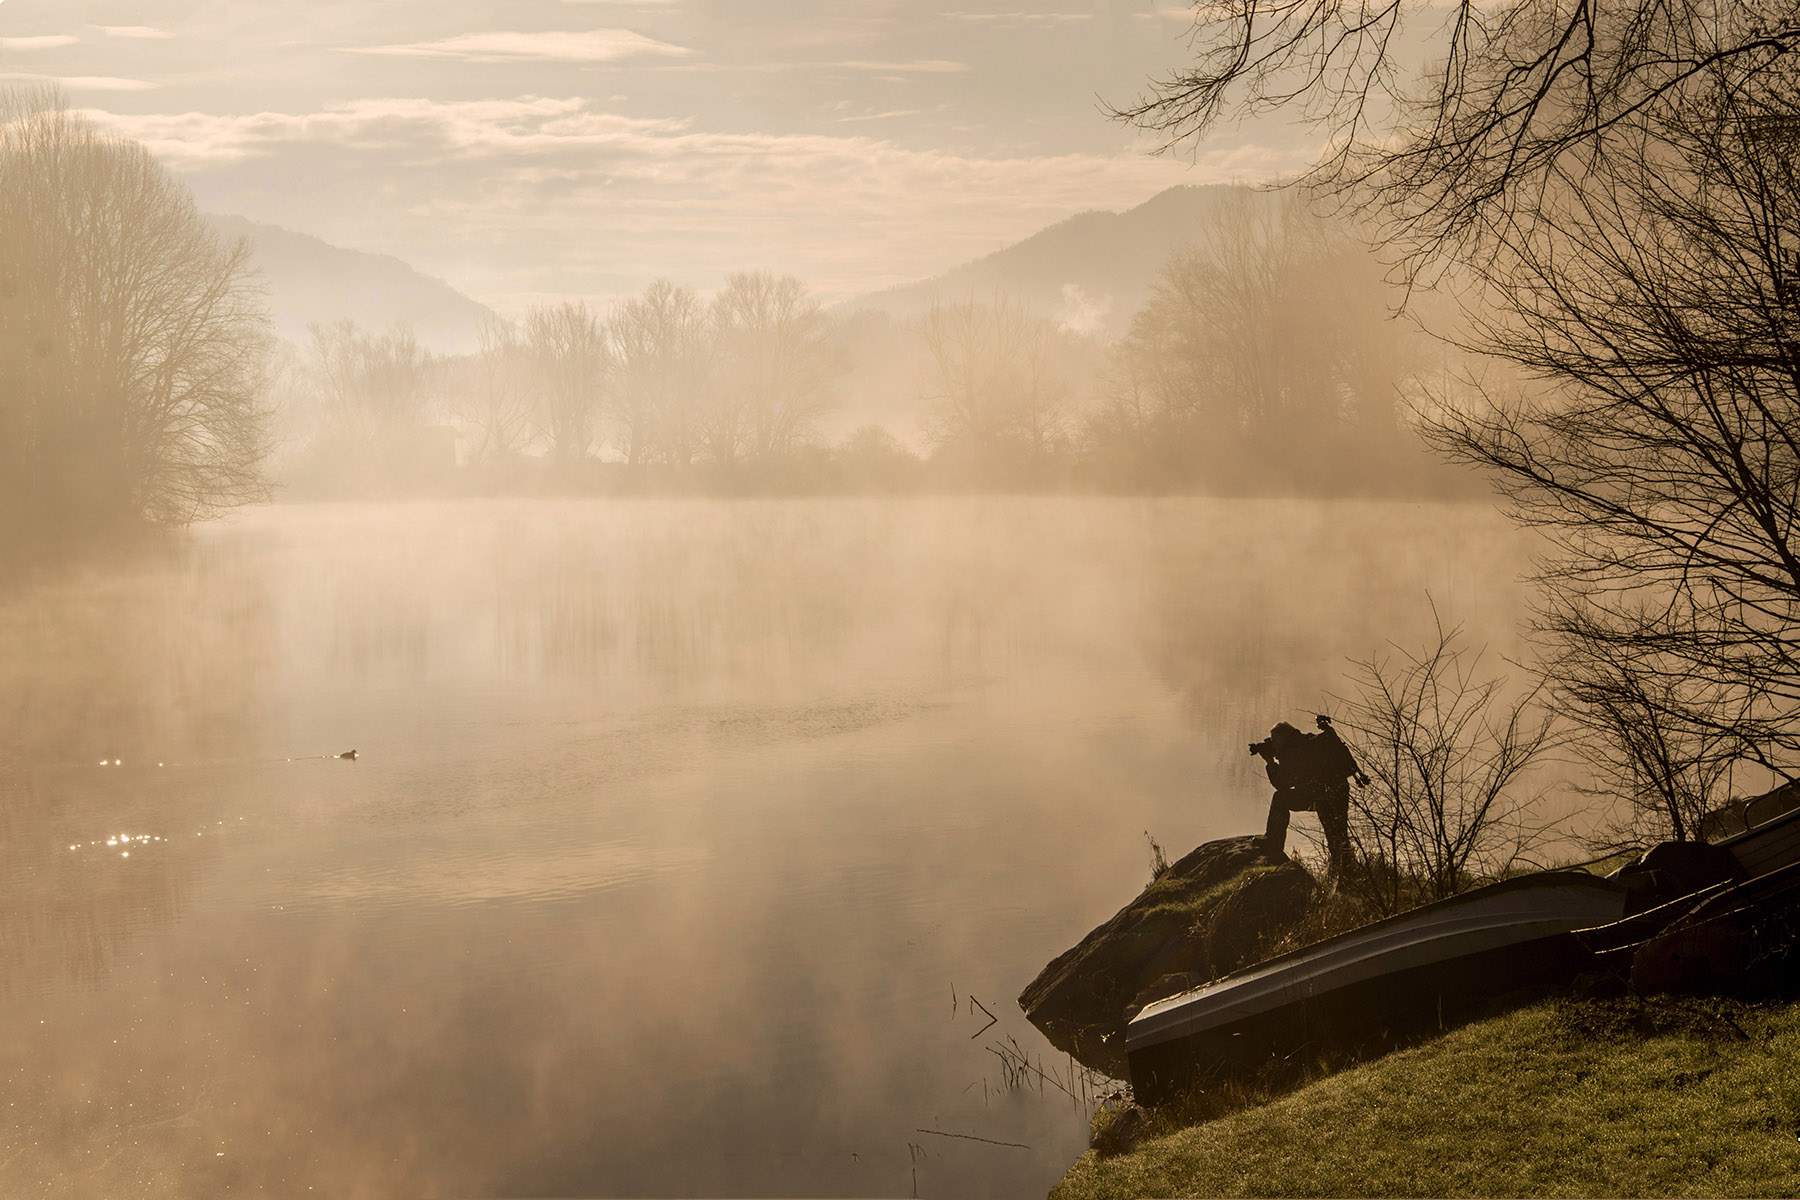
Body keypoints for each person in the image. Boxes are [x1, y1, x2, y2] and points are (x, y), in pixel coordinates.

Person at [1250, 714, 1367, 868]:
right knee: (1338, 835)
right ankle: (1347, 870)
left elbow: (1282, 784)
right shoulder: (1308, 741)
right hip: (1338, 793)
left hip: (1317, 797)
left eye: (1274, 741)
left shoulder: (1290, 752)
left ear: (1281, 738)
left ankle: (1273, 842)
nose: (1274, 745)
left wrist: (1270, 763)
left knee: (1280, 799)